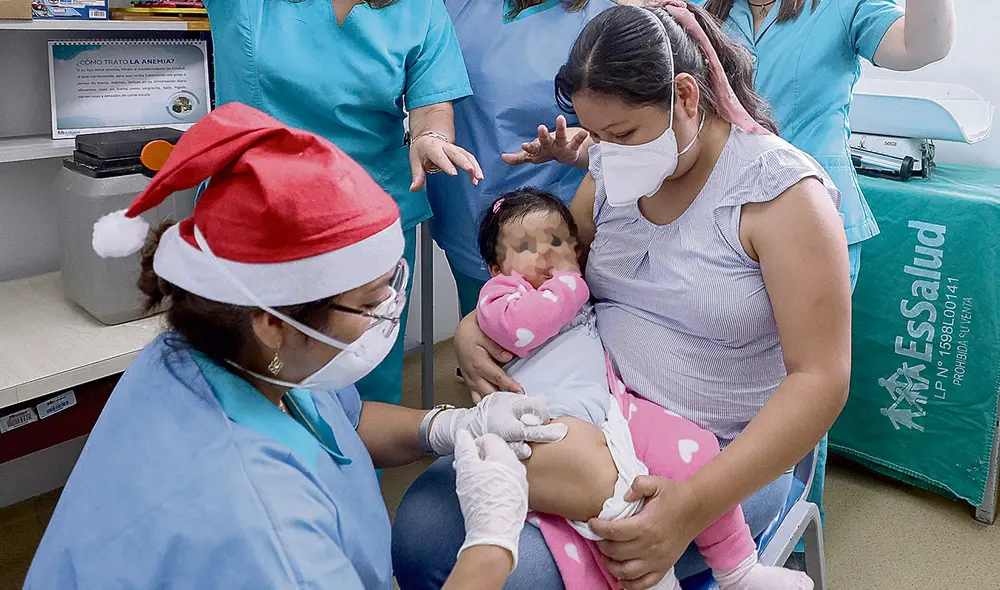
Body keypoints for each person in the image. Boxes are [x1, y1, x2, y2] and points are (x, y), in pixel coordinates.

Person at [393, 4, 852, 590]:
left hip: (718, 456)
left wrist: (690, 505)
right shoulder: (614, 168)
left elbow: (821, 379)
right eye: (598, 135)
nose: (605, 151)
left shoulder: (781, 197)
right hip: (595, 410)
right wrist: (472, 330)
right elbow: (557, 272)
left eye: (623, 134)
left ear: (686, 96)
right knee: (424, 529)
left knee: (506, 575)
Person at [23, 104, 570, 589]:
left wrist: (445, 427)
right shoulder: (264, 533)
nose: (386, 315)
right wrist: (492, 545)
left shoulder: (235, 356)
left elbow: (342, 427)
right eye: (370, 301)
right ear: (272, 322)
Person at [687, 0, 956, 519]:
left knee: (804, 383)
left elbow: (921, 46)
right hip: (721, 215)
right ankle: (717, 517)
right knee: (721, 377)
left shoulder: (843, 5)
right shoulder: (708, 7)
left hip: (814, 222)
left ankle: (792, 530)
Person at [473, 189, 813, 590]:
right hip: (551, 424)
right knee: (619, 504)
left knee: (695, 449)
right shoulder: (506, 296)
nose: (546, 254)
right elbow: (520, 327)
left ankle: (738, 571)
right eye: (527, 247)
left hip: (613, 408)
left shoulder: (779, 197)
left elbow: (816, 375)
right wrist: (567, 285)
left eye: (556, 241)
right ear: (496, 268)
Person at [203, 0, 484, 406]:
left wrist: (431, 138)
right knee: (259, 377)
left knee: (365, 372)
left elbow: (433, 103)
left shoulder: (418, 9)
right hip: (263, 219)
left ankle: (362, 470)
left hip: (372, 219)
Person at [426, 0, 614, 322]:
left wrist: (577, 141)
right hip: (462, 213)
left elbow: (626, 132)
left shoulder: (602, 18)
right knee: (485, 339)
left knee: (554, 350)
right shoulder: (453, 6)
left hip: (552, 233)